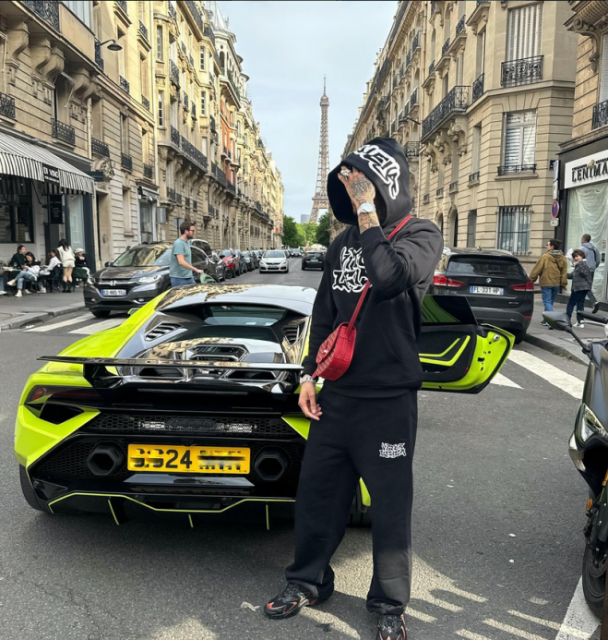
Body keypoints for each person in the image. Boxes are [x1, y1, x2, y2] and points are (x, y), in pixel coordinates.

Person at [264, 138, 444, 640]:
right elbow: (325, 313)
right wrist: (308, 375)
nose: (353, 194)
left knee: (389, 506)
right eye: (348, 188)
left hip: (388, 399)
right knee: (318, 495)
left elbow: (388, 278)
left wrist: (367, 211)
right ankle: (307, 580)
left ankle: (389, 603)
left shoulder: (421, 234)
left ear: (386, 184)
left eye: (362, 184)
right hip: (337, 395)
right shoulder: (342, 244)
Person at [530, 239, 568, 326]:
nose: (546, 246)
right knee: (550, 302)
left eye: (548, 245)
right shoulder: (562, 257)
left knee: (547, 302)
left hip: (546, 282)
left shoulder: (545, 257)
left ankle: (551, 321)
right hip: (556, 283)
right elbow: (564, 272)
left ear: (552, 246)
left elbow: (537, 269)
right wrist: (563, 284)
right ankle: (546, 319)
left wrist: (531, 279)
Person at [170, 221, 202, 287]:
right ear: (186, 231)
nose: (194, 233)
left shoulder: (186, 243)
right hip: (179, 279)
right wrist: (196, 270)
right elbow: (181, 262)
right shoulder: (179, 243)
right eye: (192, 231)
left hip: (189, 277)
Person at [567, 249, 594, 328]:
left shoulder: (582, 264)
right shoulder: (580, 265)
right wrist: (563, 274)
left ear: (582, 256)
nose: (576, 258)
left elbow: (583, 273)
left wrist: (576, 265)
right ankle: (580, 321)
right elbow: (572, 275)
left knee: (571, 303)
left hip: (579, 288)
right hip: (583, 287)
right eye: (574, 257)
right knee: (580, 303)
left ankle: (567, 320)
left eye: (577, 256)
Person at [580, 234, 601, 304]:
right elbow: (598, 261)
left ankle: (594, 302)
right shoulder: (595, 249)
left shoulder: (581, 248)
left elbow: (578, 260)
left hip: (583, 270)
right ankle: (581, 305)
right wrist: (594, 267)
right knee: (587, 287)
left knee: (584, 287)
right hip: (592, 270)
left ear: (583, 239)